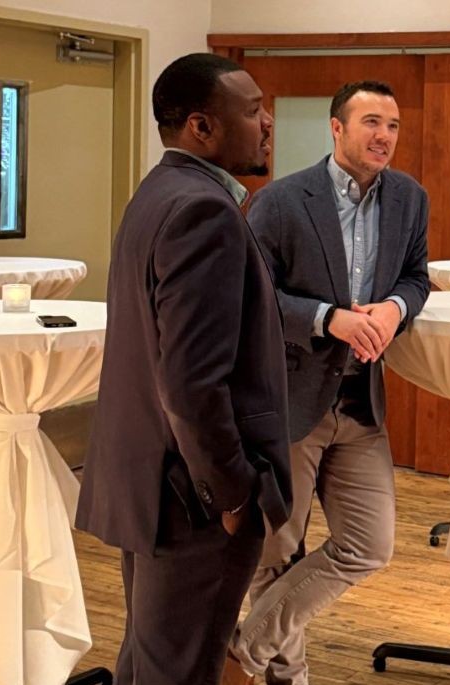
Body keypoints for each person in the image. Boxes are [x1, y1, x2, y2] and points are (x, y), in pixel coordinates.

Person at [75, 53, 292, 685]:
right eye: (251, 111)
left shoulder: (156, 193)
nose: (268, 122)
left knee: (150, 663)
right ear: (202, 126)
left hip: (149, 485)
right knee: (181, 671)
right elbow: (193, 381)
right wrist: (231, 493)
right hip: (189, 500)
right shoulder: (205, 213)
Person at [222, 80, 430, 685]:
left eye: (392, 124)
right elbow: (251, 295)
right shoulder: (283, 201)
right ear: (336, 129)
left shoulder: (409, 199)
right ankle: (290, 678)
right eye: (370, 122)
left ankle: (240, 653)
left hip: (362, 403)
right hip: (288, 398)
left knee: (369, 545)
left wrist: (395, 306)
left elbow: (415, 276)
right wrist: (326, 318)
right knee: (277, 555)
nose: (384, 135)